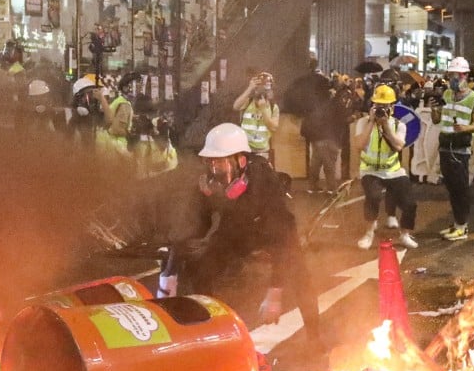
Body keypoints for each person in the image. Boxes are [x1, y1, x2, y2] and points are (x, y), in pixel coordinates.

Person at [156, 123, 321, 348]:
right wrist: (171, 270)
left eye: (220, 162)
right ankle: (210, 330)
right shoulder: (208, 184)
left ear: (241, 161)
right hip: (236, 230)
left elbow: (281, 237)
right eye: (210, 162)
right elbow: (195, 225)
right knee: (201, 268)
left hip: (274, 230)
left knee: (301, 276)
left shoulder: (263, 181)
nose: (214, 170)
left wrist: (275, 292)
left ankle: (316, 340)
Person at [354, 85, 418, 250]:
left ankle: (405, 234)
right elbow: (359, 145)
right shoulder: (362, 122)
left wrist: (386, 126)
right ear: (372, 105)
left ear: (392, 106)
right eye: (378, 105)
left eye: (386, 105)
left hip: (393, 171)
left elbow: (398, 146)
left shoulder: (398, 125)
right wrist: (371, 122)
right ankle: (369, 233)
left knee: (410, 203)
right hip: (370, 170)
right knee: (373, 196)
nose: (382, 109)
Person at [430, 56, 474, 240]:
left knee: (461, 189)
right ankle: (456, 224)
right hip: (445, 146)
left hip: (460, 149)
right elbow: (436, 120)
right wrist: (433, 109)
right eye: (452, 75)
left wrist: (465, 128)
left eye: (458, 75)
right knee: (452, 189)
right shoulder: (446, 95)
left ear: (466, 76)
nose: (454, 79)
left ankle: (463, 226)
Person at [232, 71, 279, 160]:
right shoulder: (248, 102)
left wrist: (263, 110)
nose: (262, 91)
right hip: (245, 149)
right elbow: (236, 106)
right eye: (259, 88)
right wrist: (249, 88)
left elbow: (273, 127)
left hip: (263, 151)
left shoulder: (273, 107)